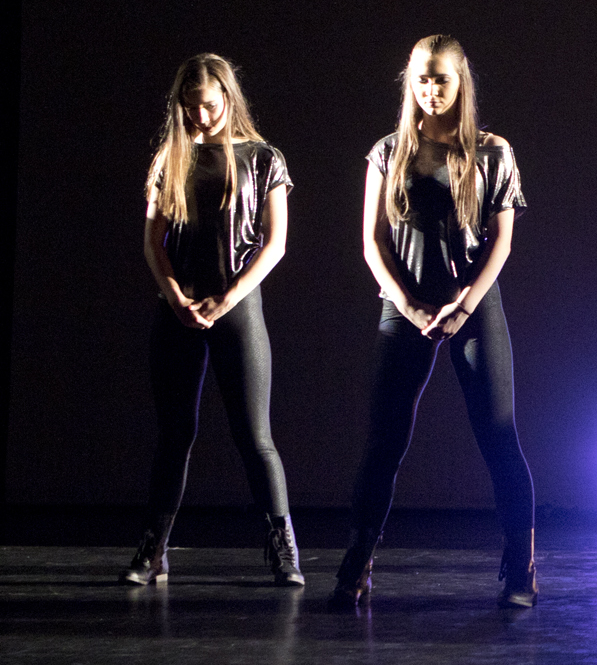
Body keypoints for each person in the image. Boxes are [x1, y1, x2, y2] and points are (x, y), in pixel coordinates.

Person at [330, 35, 537, 608]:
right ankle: (358, 559)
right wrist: (409, 305)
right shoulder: (387, 152)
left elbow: (500, 243)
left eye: (441, 78)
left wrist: (463, 305)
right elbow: (373, 242)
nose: (430, 89)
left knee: (499, 436)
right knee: (384, 440)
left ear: (460, 81)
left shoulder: (493, 152)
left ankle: (521, 563)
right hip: (405, 308)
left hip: (472, 306)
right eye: (421, 78)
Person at [126, 54, 301, 588]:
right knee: (174, 434)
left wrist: (226, 300)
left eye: (208, 104)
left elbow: (275, 244)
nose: (200, 116)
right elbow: (153, 243)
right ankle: (154, 550)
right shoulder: (170, 158)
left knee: (254, 436)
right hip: (178, 311)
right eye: (190, 107)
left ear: (227, 96)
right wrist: (176, 297)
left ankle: (284, 550)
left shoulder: (263, 158)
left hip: (237, 309)